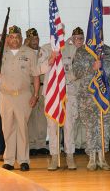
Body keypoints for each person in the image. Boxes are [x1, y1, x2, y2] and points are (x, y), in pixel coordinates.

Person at [0, 25, 40, 172]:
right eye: (11, 37)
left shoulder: (30, 53)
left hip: (23, 95)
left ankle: (24, 160)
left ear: (21, 38)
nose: (14, 39)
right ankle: (9, 160)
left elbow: (36, 76)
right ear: (7, 39)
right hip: (5, 96)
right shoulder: (0, 54)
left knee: (22, 129)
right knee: (7, 128)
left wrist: (36, 95)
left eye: (17, 37)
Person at [40, 26, 83, 170]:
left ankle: (70, 156)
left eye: (61, 33)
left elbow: (78, 70)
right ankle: (54, 156)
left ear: (64, 34)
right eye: (56, 33)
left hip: (68, 92)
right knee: (52, 127)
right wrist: (50, 59)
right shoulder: (46, 49)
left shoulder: (72, 49)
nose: (59, 35)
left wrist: (67, 78)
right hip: (52, 93)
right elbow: (39, 69)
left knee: (69, 125)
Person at [72, 43, 110, 171]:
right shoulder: (81, 51)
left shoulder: (108, 51)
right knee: (90, 127)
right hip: (87, 96)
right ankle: (92, 157)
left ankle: (102, 156)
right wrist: (92, 68)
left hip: (103, 95)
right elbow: (76, 72)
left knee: (104, 126)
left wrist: (103, 74)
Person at [25, 28, 49, 156]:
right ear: (27, 39)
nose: (35, 41)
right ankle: (32, 144)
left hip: (42, 87)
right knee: (31, 115)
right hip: (29, 87)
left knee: (42, 116)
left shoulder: (43, 52)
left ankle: (41, 144)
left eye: (37, 38)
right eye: (33, 39)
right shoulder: (24, 53)